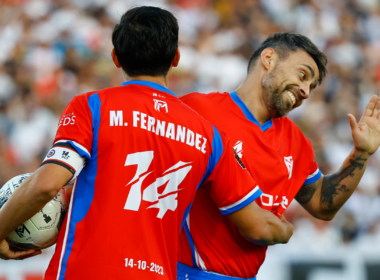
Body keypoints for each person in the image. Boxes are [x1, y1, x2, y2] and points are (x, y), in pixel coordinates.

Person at [0, 7, 293, 280]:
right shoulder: (209, 135)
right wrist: (286, 229)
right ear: (175, 58)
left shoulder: (92, 106)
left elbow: (46, 185)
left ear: (115, 57)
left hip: (86, 269)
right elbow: (258, 226)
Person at [177, 32, 380, 280]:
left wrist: (361, 153)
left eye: (311, 87)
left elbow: (323, 204)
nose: (306, 91)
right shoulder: (196, 111)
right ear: (269, 58)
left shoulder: (295, 141)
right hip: (188, 272)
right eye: (303, 75)